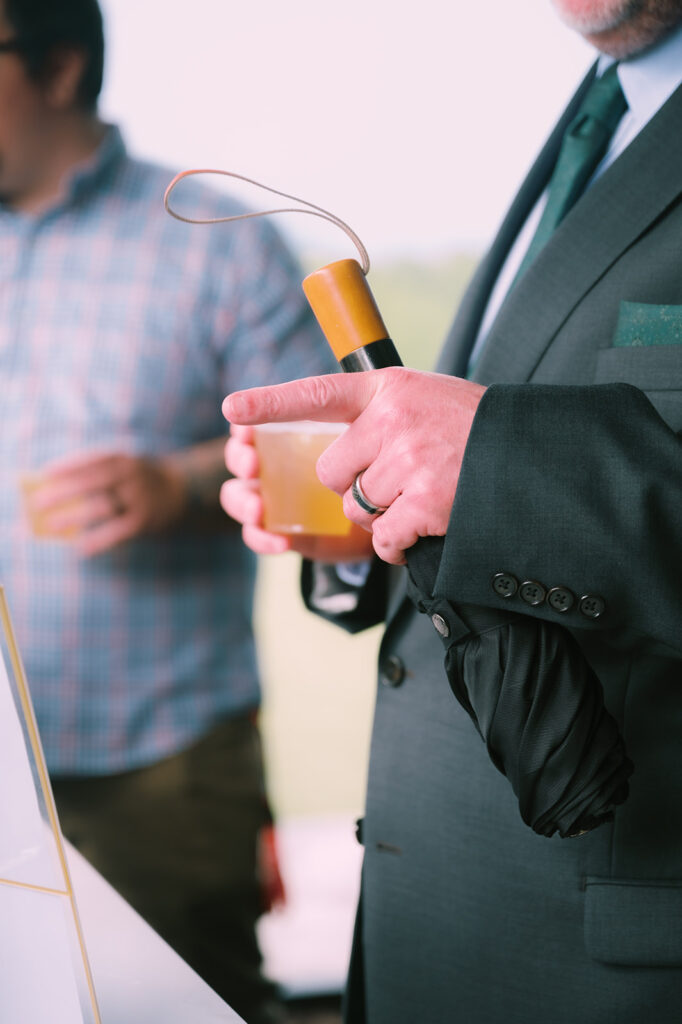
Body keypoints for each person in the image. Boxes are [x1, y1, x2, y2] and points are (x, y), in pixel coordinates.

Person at [221, 1, 682, 1021]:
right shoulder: (601, 112)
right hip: (433, 928)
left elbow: (523, 463)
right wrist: (382, 519)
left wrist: (496, 467)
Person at [0, 2, 337, 1022]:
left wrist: (178, 484)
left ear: (59, 70)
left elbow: (329, 471)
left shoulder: (217, 239)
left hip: (161, 764)